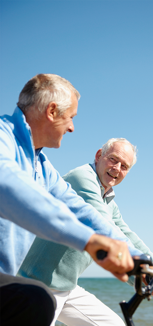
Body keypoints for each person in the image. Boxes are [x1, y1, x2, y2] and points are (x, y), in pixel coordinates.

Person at [0, 74, 141, 325]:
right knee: (36, 300)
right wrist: (91, 241)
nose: (72, 128)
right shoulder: (3, 138)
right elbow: (8, 184)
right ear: (52, 111)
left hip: (18, 284)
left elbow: (80, 211)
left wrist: (145, 265)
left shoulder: (41, 166)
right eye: (71, 117)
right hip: (31, 285)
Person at [19, 138, 153, 325]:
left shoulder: (108, 201)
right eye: (113, 159)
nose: (117, 168)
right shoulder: (82, 178)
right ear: (99, 156)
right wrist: (148, 276)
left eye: (124, 166)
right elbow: (105, 228)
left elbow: (129, 237)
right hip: (37, 284)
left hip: (66, 287)